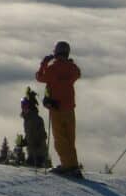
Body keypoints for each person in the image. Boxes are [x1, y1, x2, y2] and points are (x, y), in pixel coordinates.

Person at [35, 40, 82, 176]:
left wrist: (44, 63)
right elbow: (78, 73)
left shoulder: (52, 68)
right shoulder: (72, 68)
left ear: (56, 52)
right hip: (70, 108)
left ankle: (67, 166)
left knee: (60, 138)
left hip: (56, 107)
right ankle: (73, 164)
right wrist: (70, 63)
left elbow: (39, 77)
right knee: (70, 137)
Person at [20, 87, 48, 168]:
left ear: (30, 106)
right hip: (31, 152)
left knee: (33, 171)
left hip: (38, 154)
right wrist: (24, 142)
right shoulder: (27, 120)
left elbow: (42, 134)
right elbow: (30, 135)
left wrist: (38, 142)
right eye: (22, 105)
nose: (23, 108)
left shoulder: (35, 119)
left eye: (25, 105)